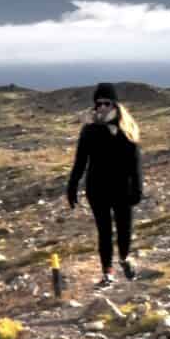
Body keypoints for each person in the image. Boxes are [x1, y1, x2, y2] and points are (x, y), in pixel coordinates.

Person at [67, 82, 144, 287]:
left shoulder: (127, 130)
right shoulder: (89, 131)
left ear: (115, 105)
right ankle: (107, 272)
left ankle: (124, 258)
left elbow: (134, 163)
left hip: (123, 189)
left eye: (106, 103)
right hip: (97, 188)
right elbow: (80, 161)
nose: (101, 107)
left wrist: (138, 188)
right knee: (104, 231)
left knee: (124, 229)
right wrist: (72, 186)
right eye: (98, 103)